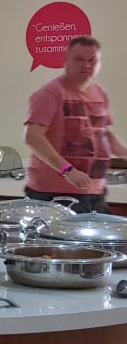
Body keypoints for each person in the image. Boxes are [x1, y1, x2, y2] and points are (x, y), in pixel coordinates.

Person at [23, 36, 123, 214]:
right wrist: (67, 170)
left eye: (92, 60)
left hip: (94, 193)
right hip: (55, 194)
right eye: (79, 59)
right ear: (66, 60)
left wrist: (123, 152)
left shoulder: (99, 92)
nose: (86, 65)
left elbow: (103, 133)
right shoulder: (51, 93)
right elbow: (33, 137)